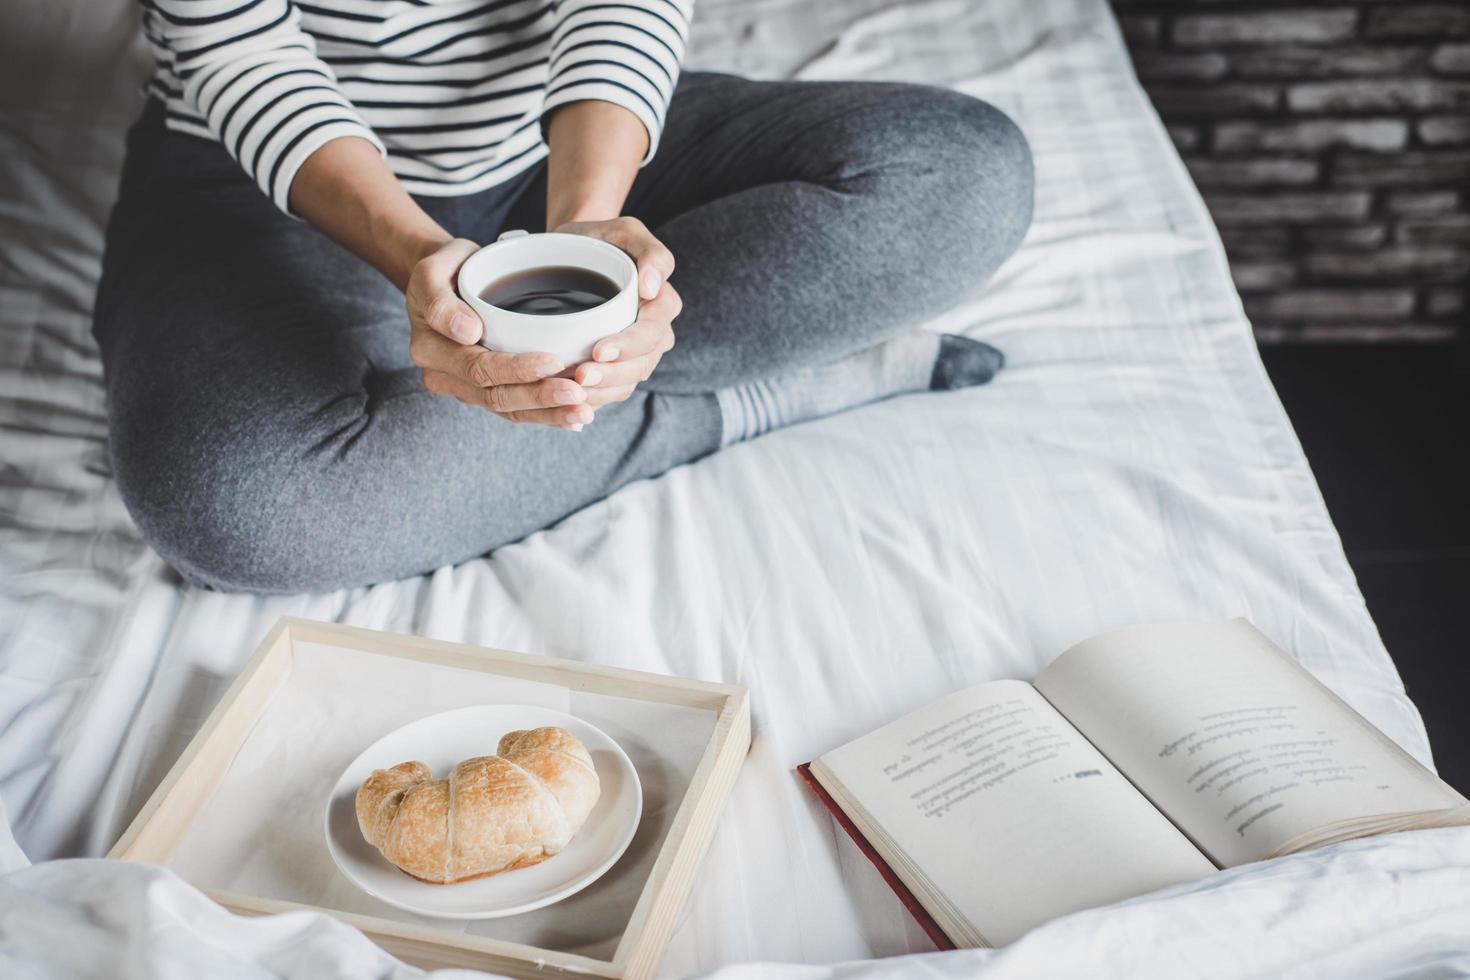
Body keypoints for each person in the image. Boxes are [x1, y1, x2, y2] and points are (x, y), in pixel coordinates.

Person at [94, 0, 1034, 593]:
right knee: (237, 512)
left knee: (962, 172)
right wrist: (422, 258)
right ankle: (750, 392)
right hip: (269, 181)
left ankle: (589, 381)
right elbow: (239, 52)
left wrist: (587, 231)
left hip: (554, 131)